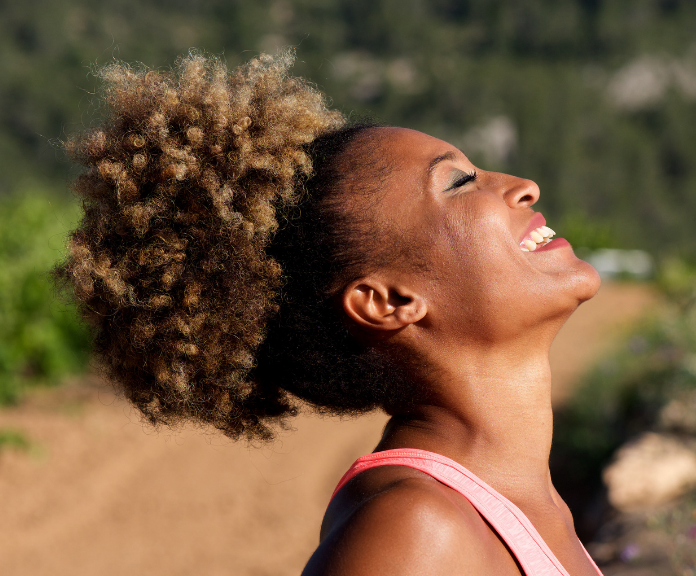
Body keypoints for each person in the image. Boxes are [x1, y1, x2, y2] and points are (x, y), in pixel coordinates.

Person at [56, 51, 604, 576]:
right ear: (387, 302)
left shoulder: (522, 506)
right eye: (459, 183)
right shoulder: (417, 532)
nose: (523, 187)